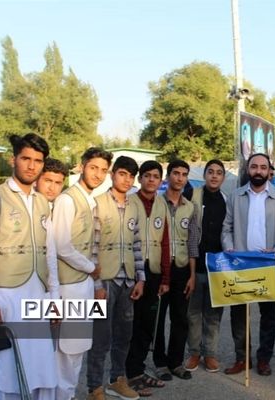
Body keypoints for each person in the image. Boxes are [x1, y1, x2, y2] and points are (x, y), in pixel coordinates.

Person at [0, 133, 59, 399]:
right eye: (26, 159)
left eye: (37, 161)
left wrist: (54, 298)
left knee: (38, 368)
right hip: (5, 296)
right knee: (3, 370)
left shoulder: (43, 202)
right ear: (14, 159)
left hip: (38, 295)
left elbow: (50, 253)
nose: (31, 166)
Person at [221, 152, 275, 376]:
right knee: (239, 315)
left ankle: (264, 359)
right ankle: (242, 358)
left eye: (263, 167)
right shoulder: (235, 196)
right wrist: (229, 247)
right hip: (240, 266)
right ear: (247, 170)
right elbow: (227, 228)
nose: (259, 171)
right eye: (254, 167)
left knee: (268, 315)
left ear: (269, 171)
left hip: (268, 265)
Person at [53, 147, 112, 400]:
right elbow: (61, 244)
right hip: (69, 288)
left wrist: (94, 281)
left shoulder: (88, 199)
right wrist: (91, 268)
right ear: (81, 166)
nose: (98, 174)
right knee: (66, 353)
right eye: (93, 167)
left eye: (103, 170)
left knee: (76, 352)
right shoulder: (68, 199)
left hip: (84, 286)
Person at [86, 155, 145, 400]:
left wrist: (140, 278)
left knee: (124, 335)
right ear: (113, 174)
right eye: (122, 174)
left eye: (131, 176)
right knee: (100, 338)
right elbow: (91, 247)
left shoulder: (134, 205)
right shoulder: (97, 203)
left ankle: (117, 380)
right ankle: (94, 388)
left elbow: (137, 244)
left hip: (127, 281)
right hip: (105, 282)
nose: (127, 179)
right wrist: (96, 284)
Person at [125, 160, 171, 396]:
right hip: (131, 272)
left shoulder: (161, 204)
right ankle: (126, 374)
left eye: (156, 176)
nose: (151, 180)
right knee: (129, 324)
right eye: (147, 176)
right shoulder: (129, 201)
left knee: (146, 325)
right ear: (140, 179)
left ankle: (138, 370)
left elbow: (165, 241)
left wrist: (165, 276)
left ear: (161, 181)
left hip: (153, 272)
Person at [153, 159, 199, 381]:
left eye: (184, 174)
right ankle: (160, 363)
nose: (179, 178)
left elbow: (192, 244)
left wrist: (192, 275)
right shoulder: (155, 203)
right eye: (175, 173)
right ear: (168, 176)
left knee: (181, 318)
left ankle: (176, 363)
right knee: (159, 318)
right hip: (160, 270)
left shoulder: (190, 207)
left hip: (181, 270)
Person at [185, 160, 227, 373]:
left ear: (223, 178)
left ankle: (210, 353)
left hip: (217, 268)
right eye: (210, 172)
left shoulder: (227, 202)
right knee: (193, 313)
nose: (214, 176)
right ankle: (194, 352)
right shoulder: (192, 197)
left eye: (219, 173)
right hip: (195, 265)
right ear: (205, 175)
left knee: (213, 314)